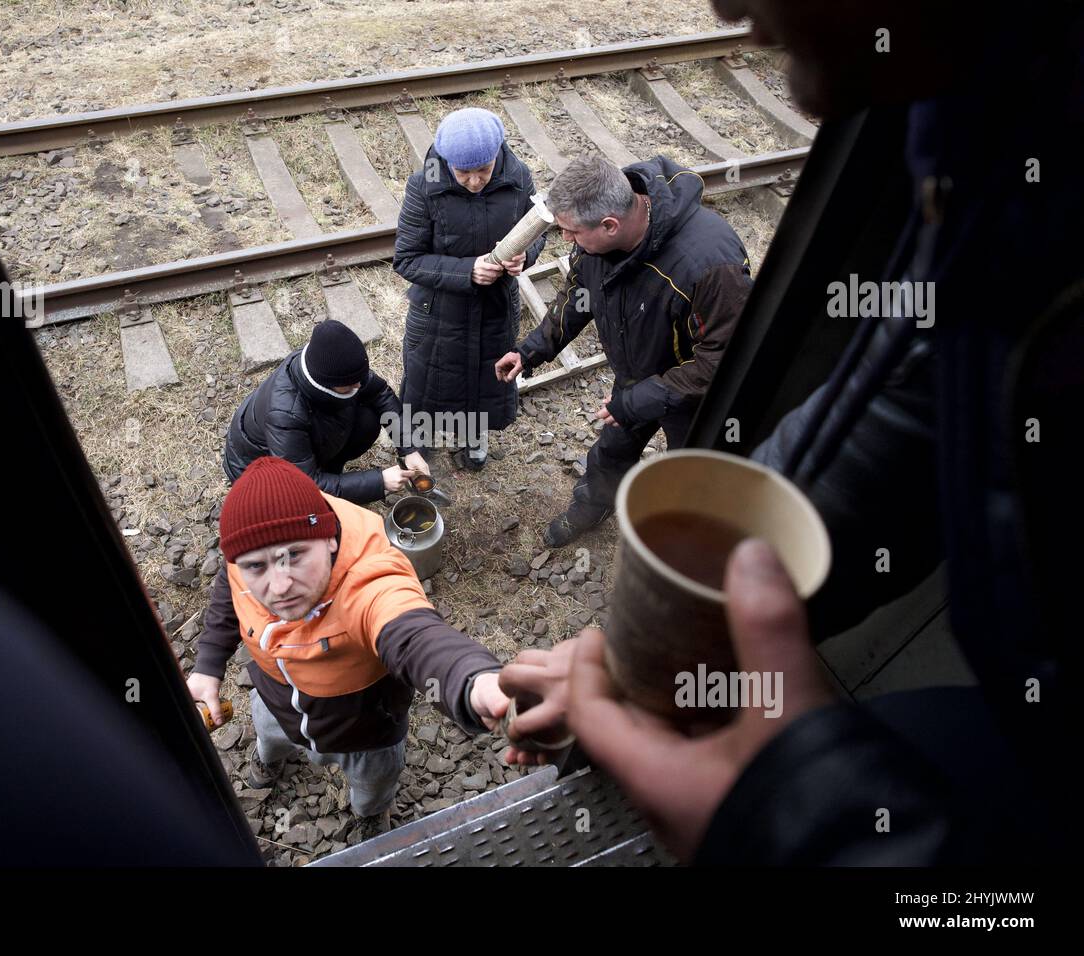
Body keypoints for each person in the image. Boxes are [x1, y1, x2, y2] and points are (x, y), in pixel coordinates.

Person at [497, 0, 1080, 864]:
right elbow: (896, 406)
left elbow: (738, 362)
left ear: (612, 222)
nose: (729, 9)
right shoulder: (987, 141)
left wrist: (793, 827)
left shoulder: (710, 261)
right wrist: (649, 645)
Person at [187, 455, 511, 841]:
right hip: (273, 703)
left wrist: (473, 682)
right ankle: (271, 758)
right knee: (269, 737)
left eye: (294, 557)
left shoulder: (368, 576)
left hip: (364, 732)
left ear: (328, 538)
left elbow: (412, 634)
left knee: (372, 784)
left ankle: (370, 813)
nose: (279, 586)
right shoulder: (246, 560)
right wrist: (208, 666)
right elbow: (230, 589)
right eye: (255, 567)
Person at [495, 153, 752, 547]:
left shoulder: (710, 263)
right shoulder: (597, 242)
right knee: (611, 453)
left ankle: (690, 541)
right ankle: (593, 507)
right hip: (633, 378)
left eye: (572, 233)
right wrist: (532, 350)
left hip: (697, 398)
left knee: (696, 472)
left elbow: (722, 359)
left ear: (610, 225)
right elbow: (580, 293)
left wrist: (637, 401)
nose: (567, 240)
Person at [393, 107, 547, 471]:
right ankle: (418, 443)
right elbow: (407, 259)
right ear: (447, 163)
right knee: (427, 381)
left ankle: (473, 440)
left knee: (485, 379)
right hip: (438, 313)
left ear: (498, 157)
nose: (475, 181)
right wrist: (466, 271)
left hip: (495, 309)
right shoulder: (423, 186)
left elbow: (536, 232)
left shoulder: (519, 177)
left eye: (484, 171)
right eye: (464, 173)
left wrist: (525, 257)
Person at [222, 319, 428, 505]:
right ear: (327, 383)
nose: (359, 385)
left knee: (368, 420)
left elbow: (379, 394)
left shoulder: (333, 365)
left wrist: (409, 448)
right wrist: (378, 481)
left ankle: (331, 473)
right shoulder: (285, 414)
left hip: (299, 449)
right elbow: (303, 483)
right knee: (304, 504)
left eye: (359, 379)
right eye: (349, 385)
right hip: (261, 472)